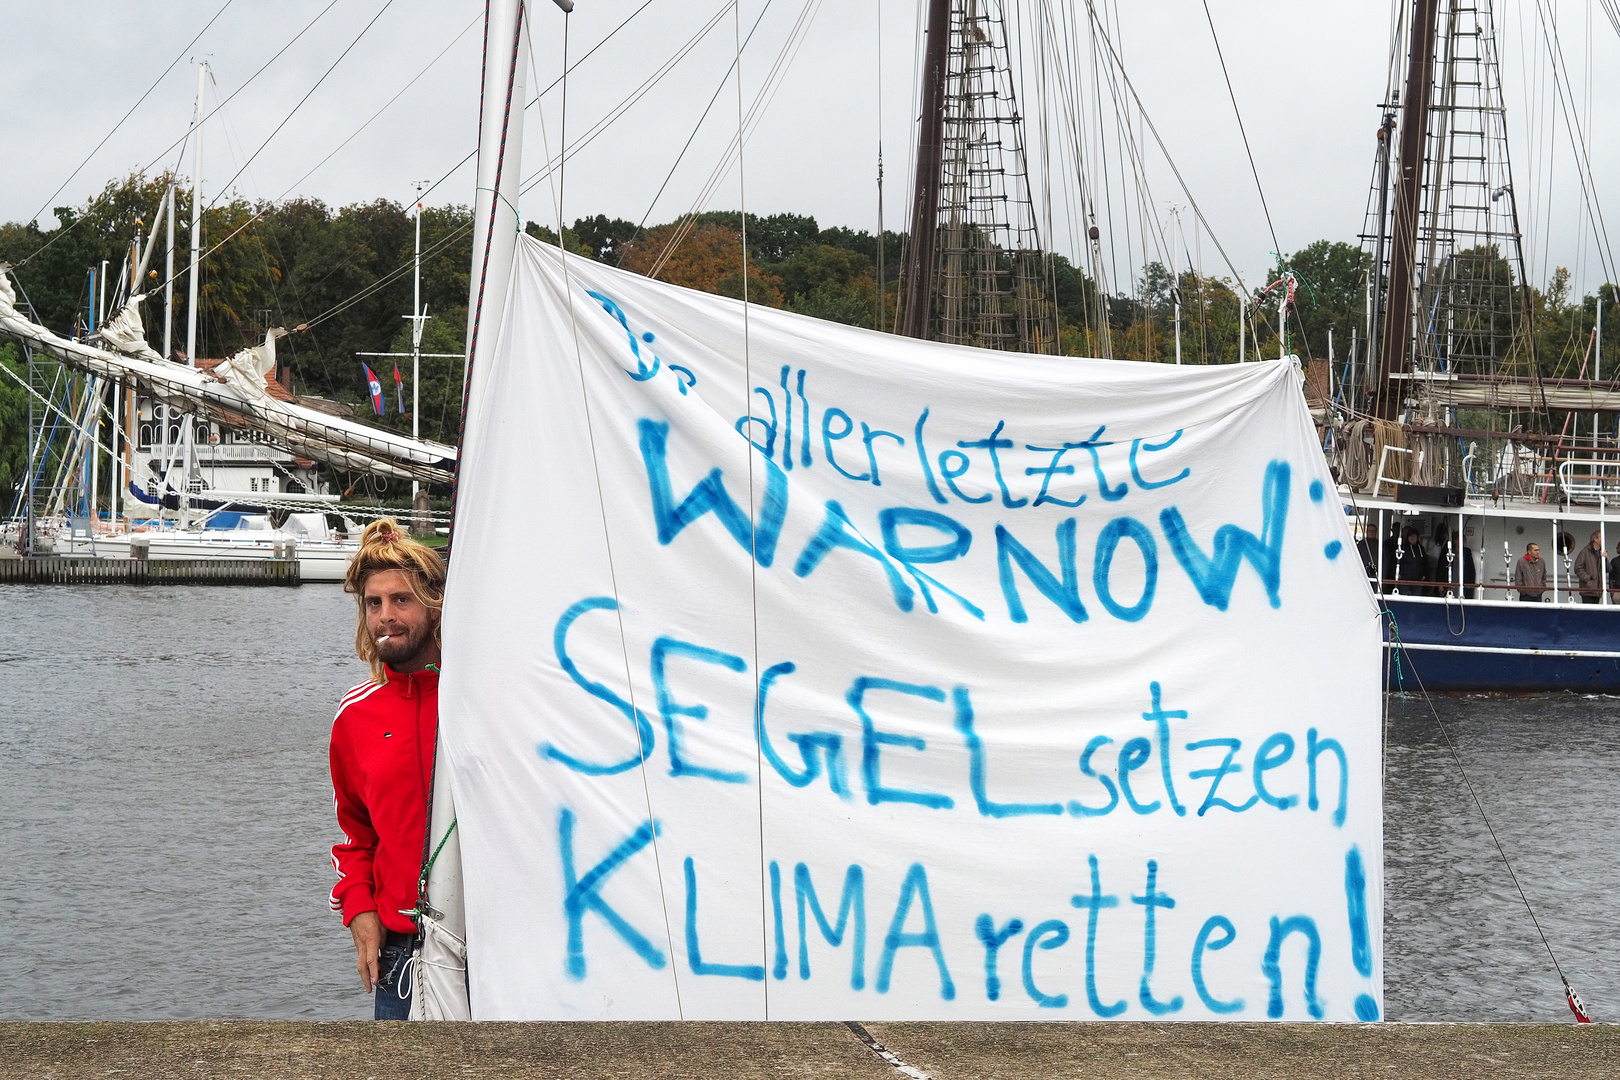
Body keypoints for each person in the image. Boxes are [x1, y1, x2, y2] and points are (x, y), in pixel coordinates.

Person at [329, 518, 446, 1020]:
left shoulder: (482, 698)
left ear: (434, 605)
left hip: (495, 945)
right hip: (400, 955)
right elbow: (355, 837)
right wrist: (358, 908)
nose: (386, 617)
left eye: (401, 600)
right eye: (373, 604)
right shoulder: (354, 716)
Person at [1574, 531, 1606, 604]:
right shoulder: (1585, 552)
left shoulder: (1601, 552)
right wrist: (1587, 578)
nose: (1604, 539)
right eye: (1602, 537)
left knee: (1595, 613)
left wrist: (1605, 558)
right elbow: (1578, 568)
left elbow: (1608, 569)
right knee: (1588, 613)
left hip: (1597, 590)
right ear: (1595, 539)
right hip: (1587, 589)